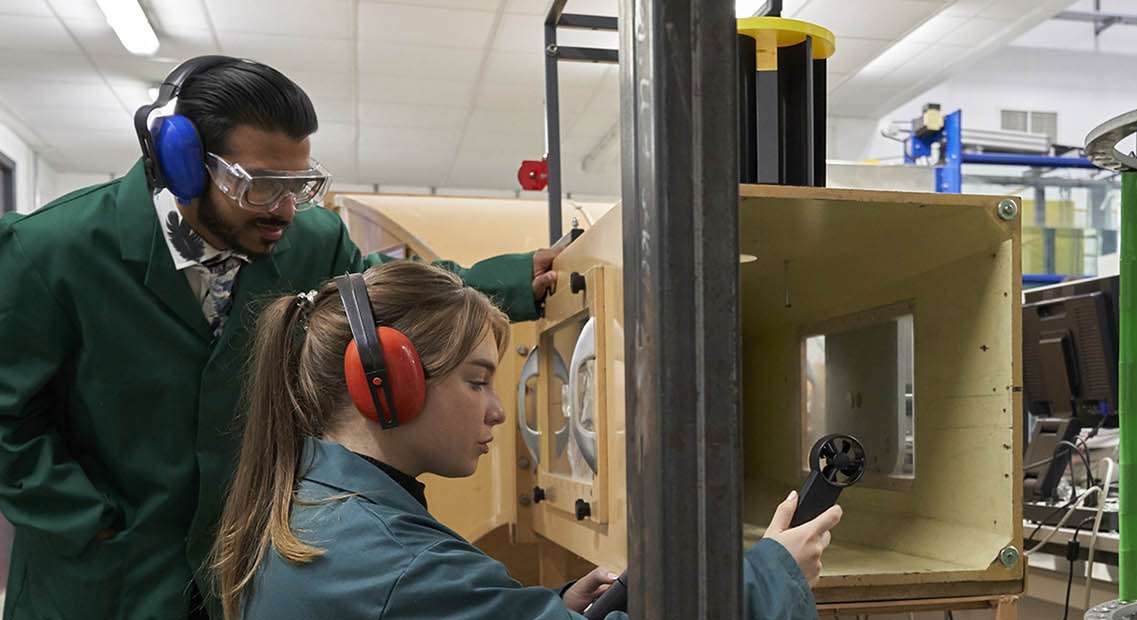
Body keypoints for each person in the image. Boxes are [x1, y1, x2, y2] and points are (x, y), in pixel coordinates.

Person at [0, 56, 564, 619]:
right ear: (181, 162)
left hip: (233, 566)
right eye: (259, 184)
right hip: (100, 579)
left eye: (299, 186)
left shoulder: (311, 242)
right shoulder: (50, 250)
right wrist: (90, 520)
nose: (284, 210)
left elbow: (395, 305)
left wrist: (513, 283)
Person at [214, 262, 841, 618]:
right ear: (389, 384)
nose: (496, 412)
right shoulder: (393, 565)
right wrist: (773, 574)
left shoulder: (320, 508)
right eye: (478, 381)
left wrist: (556, 608)